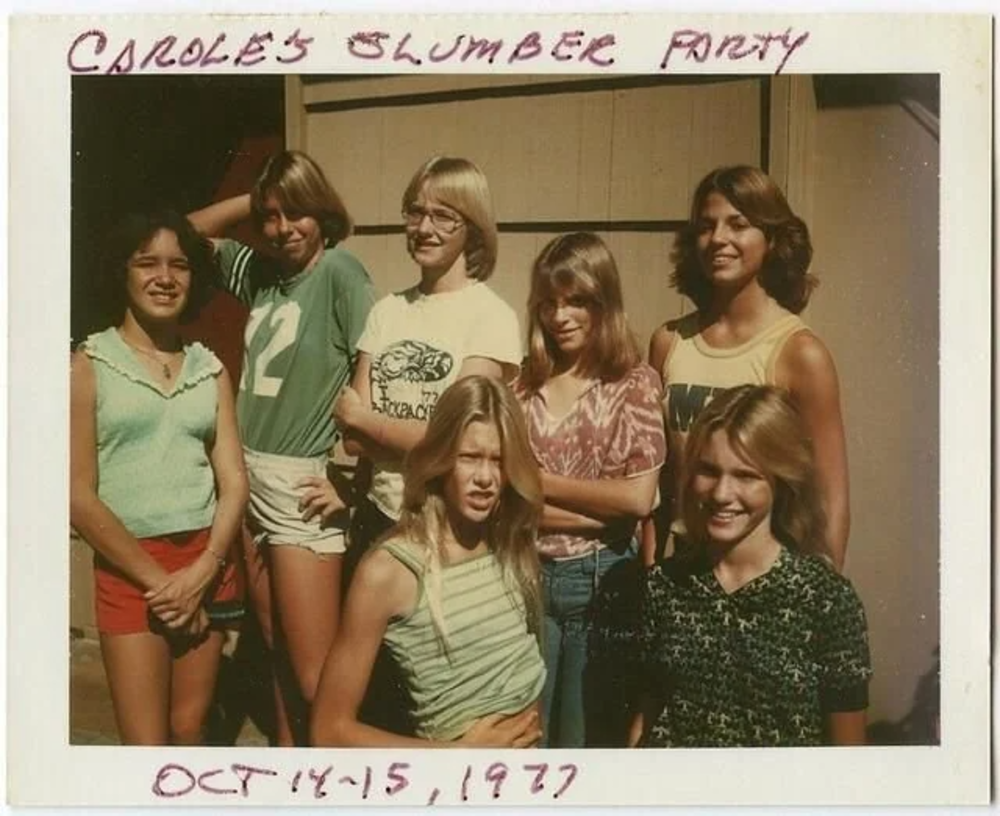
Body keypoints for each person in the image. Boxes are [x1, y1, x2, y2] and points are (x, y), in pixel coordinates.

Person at [187, 150, 375, 745]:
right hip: (246, 477)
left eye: (297, 213)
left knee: (314, 670)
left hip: (299, 482)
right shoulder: (262, 273)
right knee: (271, 643)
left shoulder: (341, 273)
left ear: (322, 212)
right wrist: (259, 194)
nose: (282, 228)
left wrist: (352, 476)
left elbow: (376, 375)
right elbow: (187, 233)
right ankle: (289, 770)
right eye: (270, 216)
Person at [69, 210, 248, 745]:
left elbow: (234, 481)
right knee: (145, 746)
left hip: (207, 566)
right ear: (122, 272)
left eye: (180, 265)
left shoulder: (209, 369)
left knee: (188, 729)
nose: (165, 277)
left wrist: (203, 571)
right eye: (147, 262)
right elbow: (78, 495)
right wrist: (161, 583)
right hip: (132, 575)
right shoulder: (89, 364)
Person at [630, 385, 871, 748]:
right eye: (709, 471)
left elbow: (849, 756)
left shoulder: (827, 601)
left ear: (782, 479)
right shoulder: (665, 585)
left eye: (745, 476)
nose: (722, 493)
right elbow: (645, 721)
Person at [311, 376, 545, 747]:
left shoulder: (505, 542)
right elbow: (329, 731)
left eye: (498, 461)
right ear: (440, 458)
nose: (485, 477)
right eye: (468, 457)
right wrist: (458, 757)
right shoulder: (390, 570)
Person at [646, 165, 850, 570]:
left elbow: (830, 495)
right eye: (706, 226)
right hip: (687, 571)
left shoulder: (799, 353)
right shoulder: (669, 343)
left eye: (738, 224)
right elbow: (660, 479)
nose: (718, 238)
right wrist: (650, 571)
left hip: (766, 570)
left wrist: (822, 595)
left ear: (771, 238)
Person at [515, 232, 666, 747]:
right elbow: (509, 506)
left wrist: (541, 485)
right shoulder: (523, 386)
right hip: (526, 574)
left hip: (601, 580)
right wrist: (597, 510)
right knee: (528, 732)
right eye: (549, 304)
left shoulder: (633, 382)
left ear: (604, 301)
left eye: (576, 301)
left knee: (582, 737)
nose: (560, 317)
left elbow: (637, 500)